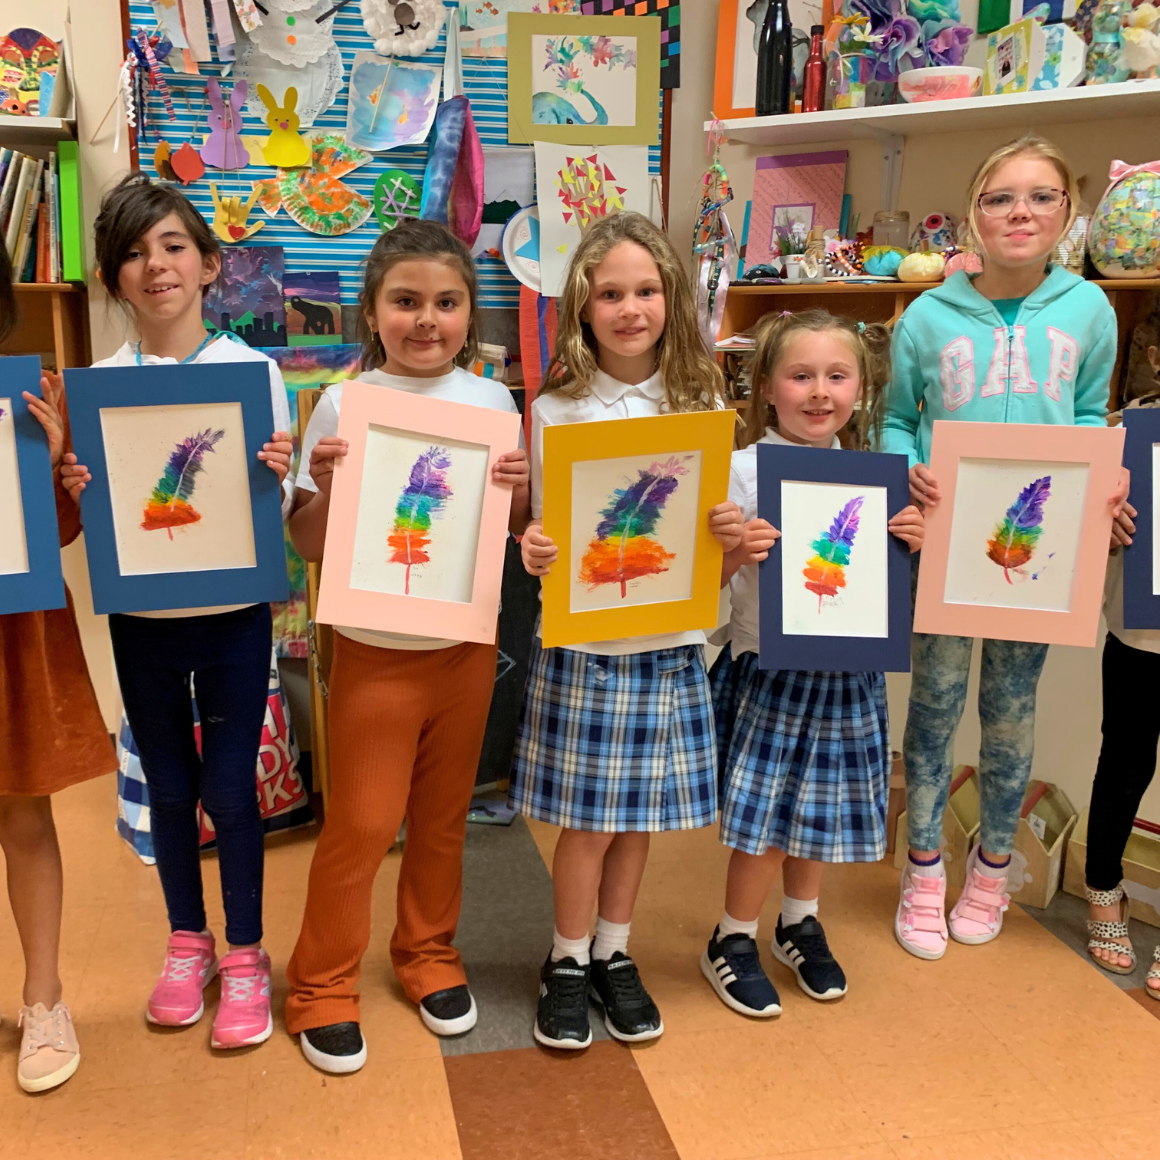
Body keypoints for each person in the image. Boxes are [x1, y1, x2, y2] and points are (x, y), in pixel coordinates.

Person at [284, 218, 531, 1074]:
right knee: (359, 822)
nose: (427, 320)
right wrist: (330, 485)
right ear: (373, 311)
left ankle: (427, 953)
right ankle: (320, 983)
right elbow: (310, 541)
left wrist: (522, 492)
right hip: (375, 647)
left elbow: (516, 532)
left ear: (471, 313)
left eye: (447, 303)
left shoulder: (494, 404)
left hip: (463, 644)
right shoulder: (347, 403)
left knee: (440, 820)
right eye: (406, 302)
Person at [61, 174, 292, 1048]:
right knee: (168, 786)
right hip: (142, 620)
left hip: (233, 613)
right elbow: (94, 528)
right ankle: (186, 942)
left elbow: (278, 497)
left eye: (170, 246)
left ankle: (245, 955)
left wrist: (277, 467)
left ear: (207, 265)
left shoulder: (252, 371)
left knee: (231, 789)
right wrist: (79, 488)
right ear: (115, 280)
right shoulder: (101, 386)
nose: (153, 265)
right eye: (132, 252)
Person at [881, 135, 1126, 959]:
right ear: (975, 213)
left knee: (1010, 713)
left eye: (1041, 196)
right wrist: (911, 475)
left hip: (1040, 552)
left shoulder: (1089, 310)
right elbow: (897, 418)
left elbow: (1092, 415)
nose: (1020, 212)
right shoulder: (928, 314)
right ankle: (921, 867)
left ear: (1067, 211)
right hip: (947, 542)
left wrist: (1103, 487)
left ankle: (991, 869)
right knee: (936, 705)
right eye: (1000, 198)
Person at [512, 211, 744, 1050]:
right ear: (581, 305)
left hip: (668, 640)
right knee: (588, 817)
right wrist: (533, 545)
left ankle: (615, 950)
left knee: (636, 813)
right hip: (587, 643)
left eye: (646, 289)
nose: (629, 307)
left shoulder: (702, 400)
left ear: (671, 297)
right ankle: (567, 959)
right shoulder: (556, 409)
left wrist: (724, 528)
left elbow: (710, 535)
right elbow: (543, 528)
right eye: (609, 292)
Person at [703, 310, 923, 1016]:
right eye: (801, 376)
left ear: (862, 387)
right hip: (770, 671)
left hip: (847, 675)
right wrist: (736, 550)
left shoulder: (875, 480)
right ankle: (731, 938)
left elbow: (888, 590)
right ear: (767, 386)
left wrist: (911, 543)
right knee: (767, 822)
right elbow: (703, 586)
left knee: (819, 812)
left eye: (837, 375)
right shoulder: (739, 472)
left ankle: (799, 921)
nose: (820, 392)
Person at [0, 237, 118, 1092]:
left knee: (24, 809)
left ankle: (45, 997)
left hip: (12, 634)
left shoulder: (25, 402)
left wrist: (45, 476)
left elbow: (60, 537)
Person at [1080, 393, 1160, 998]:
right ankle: (1104, 890)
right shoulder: (1125, 434)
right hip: (1140, 634)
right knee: (1125, 764)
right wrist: (1104, 524)